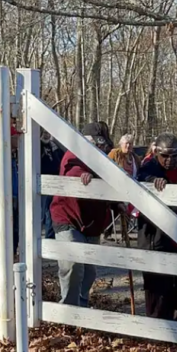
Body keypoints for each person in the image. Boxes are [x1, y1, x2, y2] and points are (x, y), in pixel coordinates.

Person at [50, 123, 119, 306]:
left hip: (92, 221)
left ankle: (82, 307)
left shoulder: (106, 162)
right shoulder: (74, 155)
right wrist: (83, 175)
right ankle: (69, 311)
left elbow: (116, 182)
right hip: (68, 216)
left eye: (104, 146)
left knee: (89, 271)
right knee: (72, 266)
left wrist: (118, 202)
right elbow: (71, 170)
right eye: (99, 145)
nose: (102, 149)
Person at [137, 133, 177, 322]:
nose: (169, 160)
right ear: (157, 153)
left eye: (173, 155)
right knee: (157, 288)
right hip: (155, 237)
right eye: (165, 155)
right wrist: (151, 180)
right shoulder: (149, 166)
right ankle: (158, 328)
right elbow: (139, 177)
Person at [40, 130, 65, 239]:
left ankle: (50, 237)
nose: (46, 135)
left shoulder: (53, 146)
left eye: (48, 132)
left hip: (55, 182)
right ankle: (44, 238)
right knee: (45, 213)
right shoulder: (37, 146)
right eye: (44, 132)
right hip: (43, 183)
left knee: (52, 212)